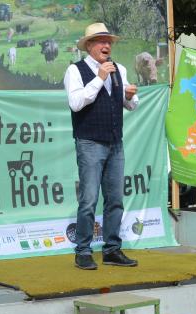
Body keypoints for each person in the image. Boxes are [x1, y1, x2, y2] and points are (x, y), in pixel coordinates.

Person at [63, 23, 139, 270]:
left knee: (115, 199)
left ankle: (112, 250)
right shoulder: (75, 70)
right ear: (88, 46)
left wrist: (129, 96)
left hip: (115, 142)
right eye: (100, 41)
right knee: (89, 199)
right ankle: (83, 251)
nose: (106, 46)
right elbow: (76, 103)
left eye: (108, 41)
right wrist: (99, 79)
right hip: (89, 142)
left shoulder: (120, 69)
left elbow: (131, 105)